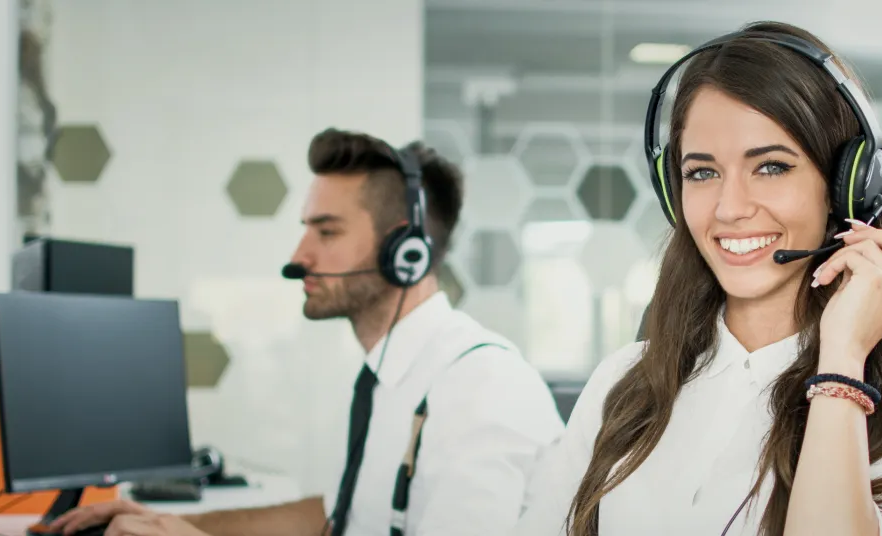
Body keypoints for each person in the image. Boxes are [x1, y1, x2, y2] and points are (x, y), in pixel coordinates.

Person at [514, 22, 882, 536]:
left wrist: (841, 361)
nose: (730, 208)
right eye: (702, 172)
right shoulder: (623, 382)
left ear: (846, 187)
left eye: (770, 167)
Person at [47, 129, 566, 536]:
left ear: (405, 253)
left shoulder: (480, 387)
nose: (299, 257)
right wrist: (168, 523)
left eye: (327, 231)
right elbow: (340, 521)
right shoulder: (393, 376)